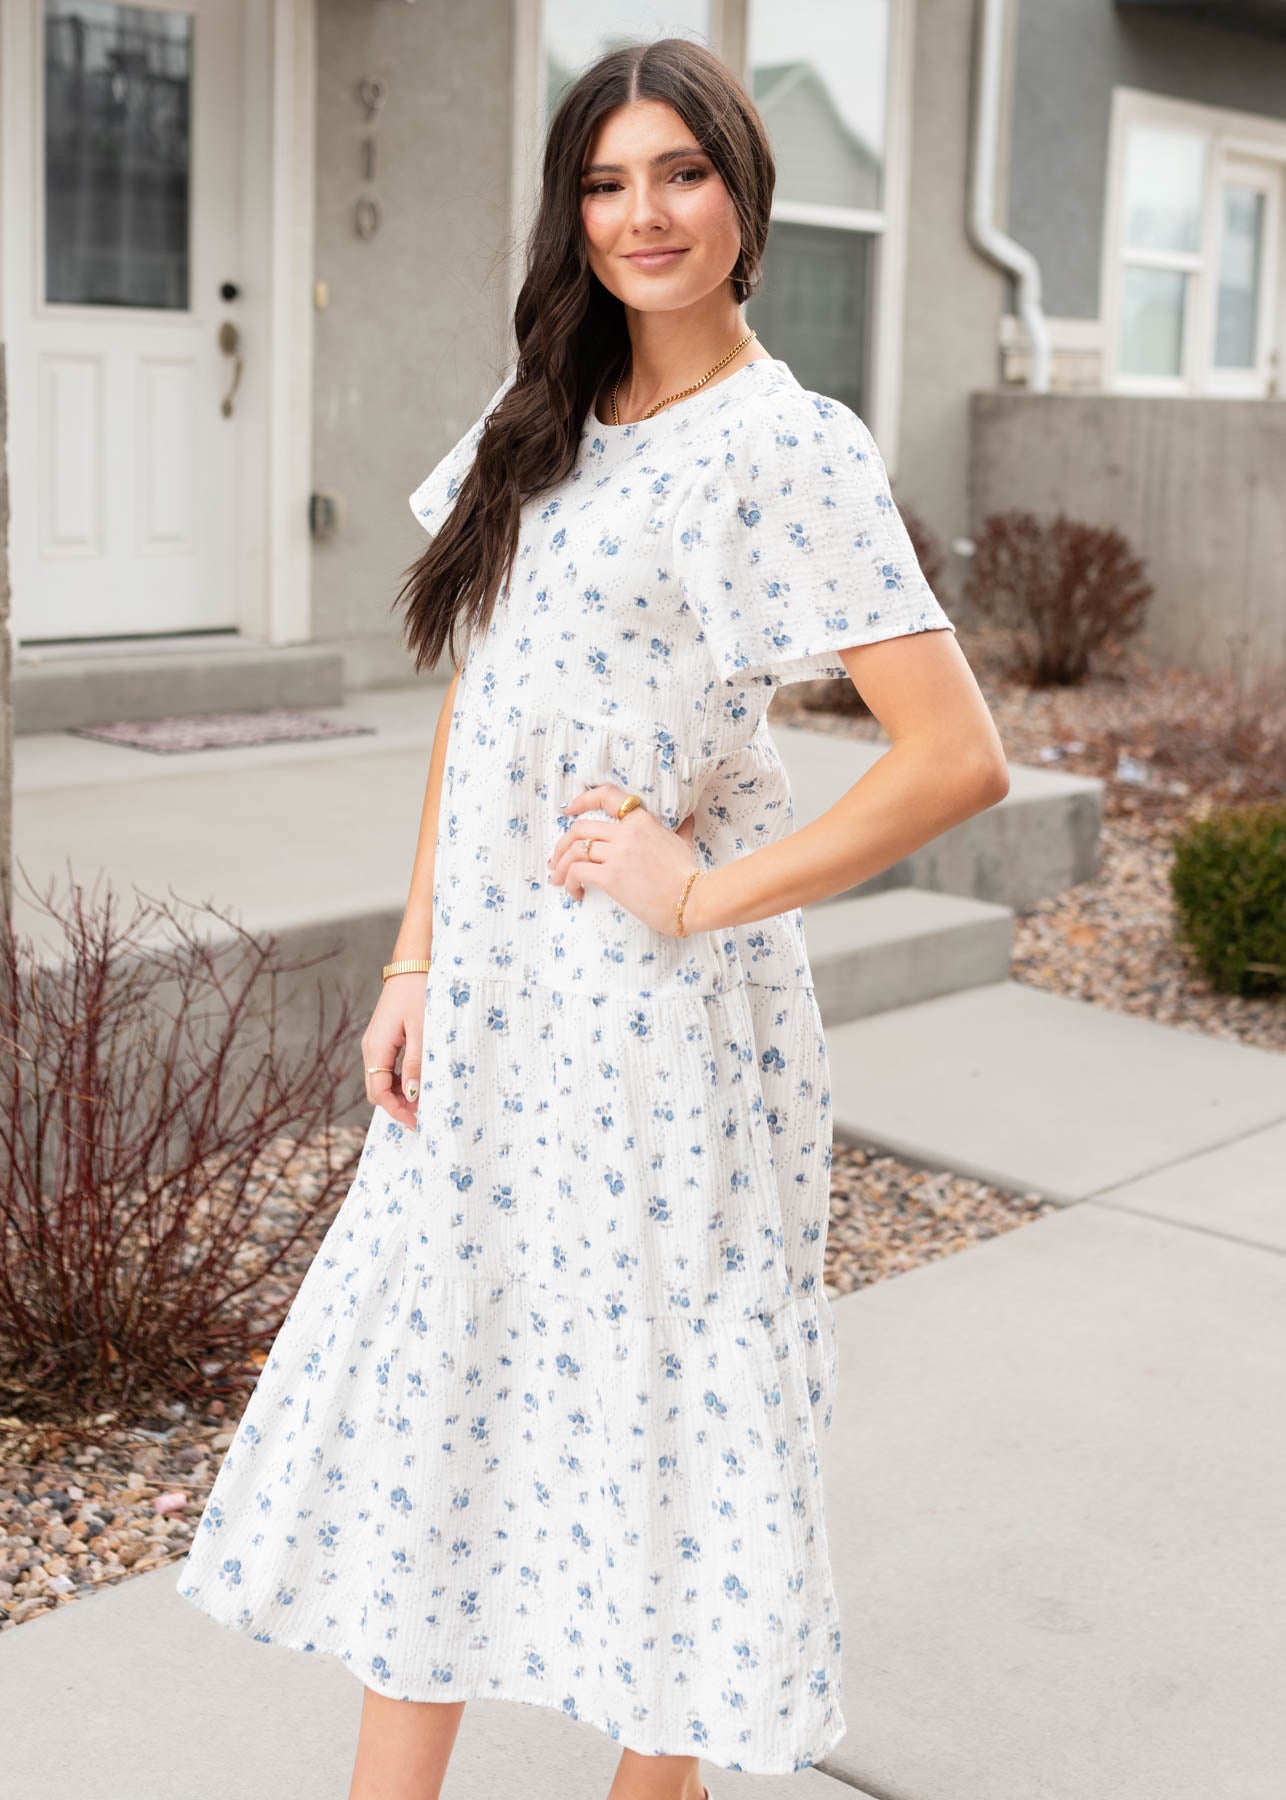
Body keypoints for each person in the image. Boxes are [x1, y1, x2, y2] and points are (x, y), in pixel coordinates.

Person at [177, 35, 1009, 1800]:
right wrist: (411, 957)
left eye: (682, 173)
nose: (645, 214)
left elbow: (951, 760)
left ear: (742, 196)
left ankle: (659, 1782)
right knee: (445, 1396)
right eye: (608, 180)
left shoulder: (789, 447)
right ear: (574, 208)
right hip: (486, 1005)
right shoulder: (537, 413)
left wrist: (700, 887)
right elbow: (479, 709)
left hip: (654, 1015)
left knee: (656, 1412)